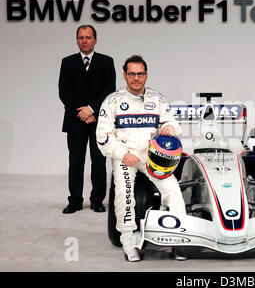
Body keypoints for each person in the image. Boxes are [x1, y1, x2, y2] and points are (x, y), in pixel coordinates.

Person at [96, 55, 186, 262]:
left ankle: (179, 239)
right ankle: (128, 242)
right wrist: (122, 154)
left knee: (173, 189)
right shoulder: (112, 101)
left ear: (146, 75)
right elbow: (102, 137)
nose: (136, 78)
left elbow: (172, 124)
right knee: (124, 194)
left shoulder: (157, 99)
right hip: (125, 157)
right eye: (131, 74)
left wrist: (170, 128)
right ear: (124, 75)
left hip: (152, 157)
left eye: (140, 74)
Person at [58, 25, 116, 214]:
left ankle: (97, 200)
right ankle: (74, 201)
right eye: (81, 37)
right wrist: (81, 112)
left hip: (99, 120)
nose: (84, 40)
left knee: (98, 161)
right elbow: (63, 91)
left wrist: (91, 109)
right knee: (75, 161)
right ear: (77, 40)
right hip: (75, 121)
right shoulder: (67, 62)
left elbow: (109, 90)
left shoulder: (107, 62)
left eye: (88, 37)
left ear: (95, 40)